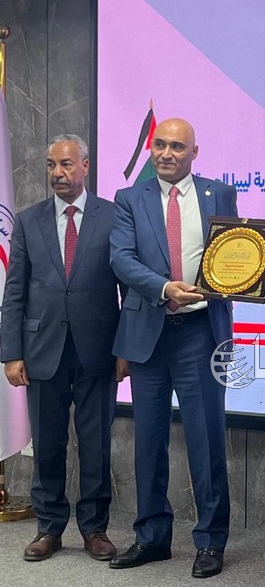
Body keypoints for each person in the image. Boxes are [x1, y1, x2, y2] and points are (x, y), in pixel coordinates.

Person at [108, 117, 237, 579]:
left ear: (194, 153)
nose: (166, 153)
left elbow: (237, 255)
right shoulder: (129, 198)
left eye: (177, 146)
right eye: (160, 144)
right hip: (149, 336)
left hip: (201, 333)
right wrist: (164, 288)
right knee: (148, 441)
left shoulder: (220, 194)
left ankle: (210, 540)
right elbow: (121, 259)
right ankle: (151, 537)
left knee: (206, 440)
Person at [0, 134, 120, 562]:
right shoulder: (28, 220)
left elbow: (126, 286)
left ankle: (94, 528)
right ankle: (49, 528)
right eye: (51, 165)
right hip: (41, 349)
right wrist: (11, 353)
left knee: (95, 443)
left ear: (85, 166)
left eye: (66, 164)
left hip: (98, 349)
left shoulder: (112, 215)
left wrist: (125, 348)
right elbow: (14, 291)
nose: (58, 173)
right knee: (48, 444)